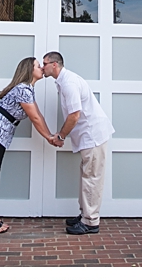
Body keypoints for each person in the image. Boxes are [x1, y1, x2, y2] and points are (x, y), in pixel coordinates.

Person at [0, 57, 58, 233]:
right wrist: (49, 138)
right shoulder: (23, 89)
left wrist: (50, 135)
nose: (42, 68)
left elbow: (39, 116)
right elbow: (35, 118)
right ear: (30, 70)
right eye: (38, 66)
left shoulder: (28, 89)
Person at [41, 51, 115, 235]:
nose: (42, 67)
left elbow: (75, 115)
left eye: (45, 63)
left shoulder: (69, 83)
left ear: (55, 65)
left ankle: (90, 222)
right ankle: (85, 215)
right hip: (88, 136)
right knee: (87, 175)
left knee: (92, 178)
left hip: (93, 135)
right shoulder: (63, 81)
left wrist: (61, 136)